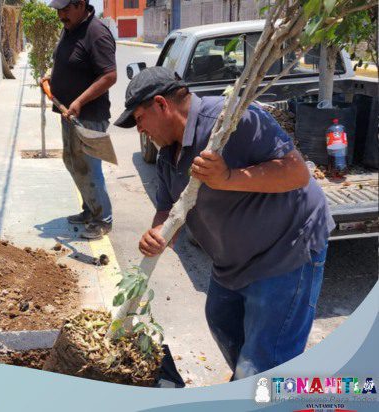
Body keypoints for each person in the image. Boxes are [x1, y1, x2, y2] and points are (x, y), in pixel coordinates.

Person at [114, 67, 335, 380]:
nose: (140, 130)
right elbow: (168, 208)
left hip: (286, 249)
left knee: (264, 363)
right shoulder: (168, 155)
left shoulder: (229, 122)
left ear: (162, 105)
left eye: (139, 119)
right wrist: (158, 233)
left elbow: (296, 173)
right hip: (232, 261)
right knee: (220, 318)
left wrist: (228, 177)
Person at [47, 0, 117, 239]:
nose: (61, 15)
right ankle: (89, 210)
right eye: (58, 10)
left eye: (65, 9)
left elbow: (109, 76)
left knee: (88, 167)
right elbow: (67, 62)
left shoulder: (96, 33)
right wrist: (49, 76)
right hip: (69, 115)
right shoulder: (70, 30)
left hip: (88, 116)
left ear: (81, 5)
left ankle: (102, 219)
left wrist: (79, 102)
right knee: (73, 163)